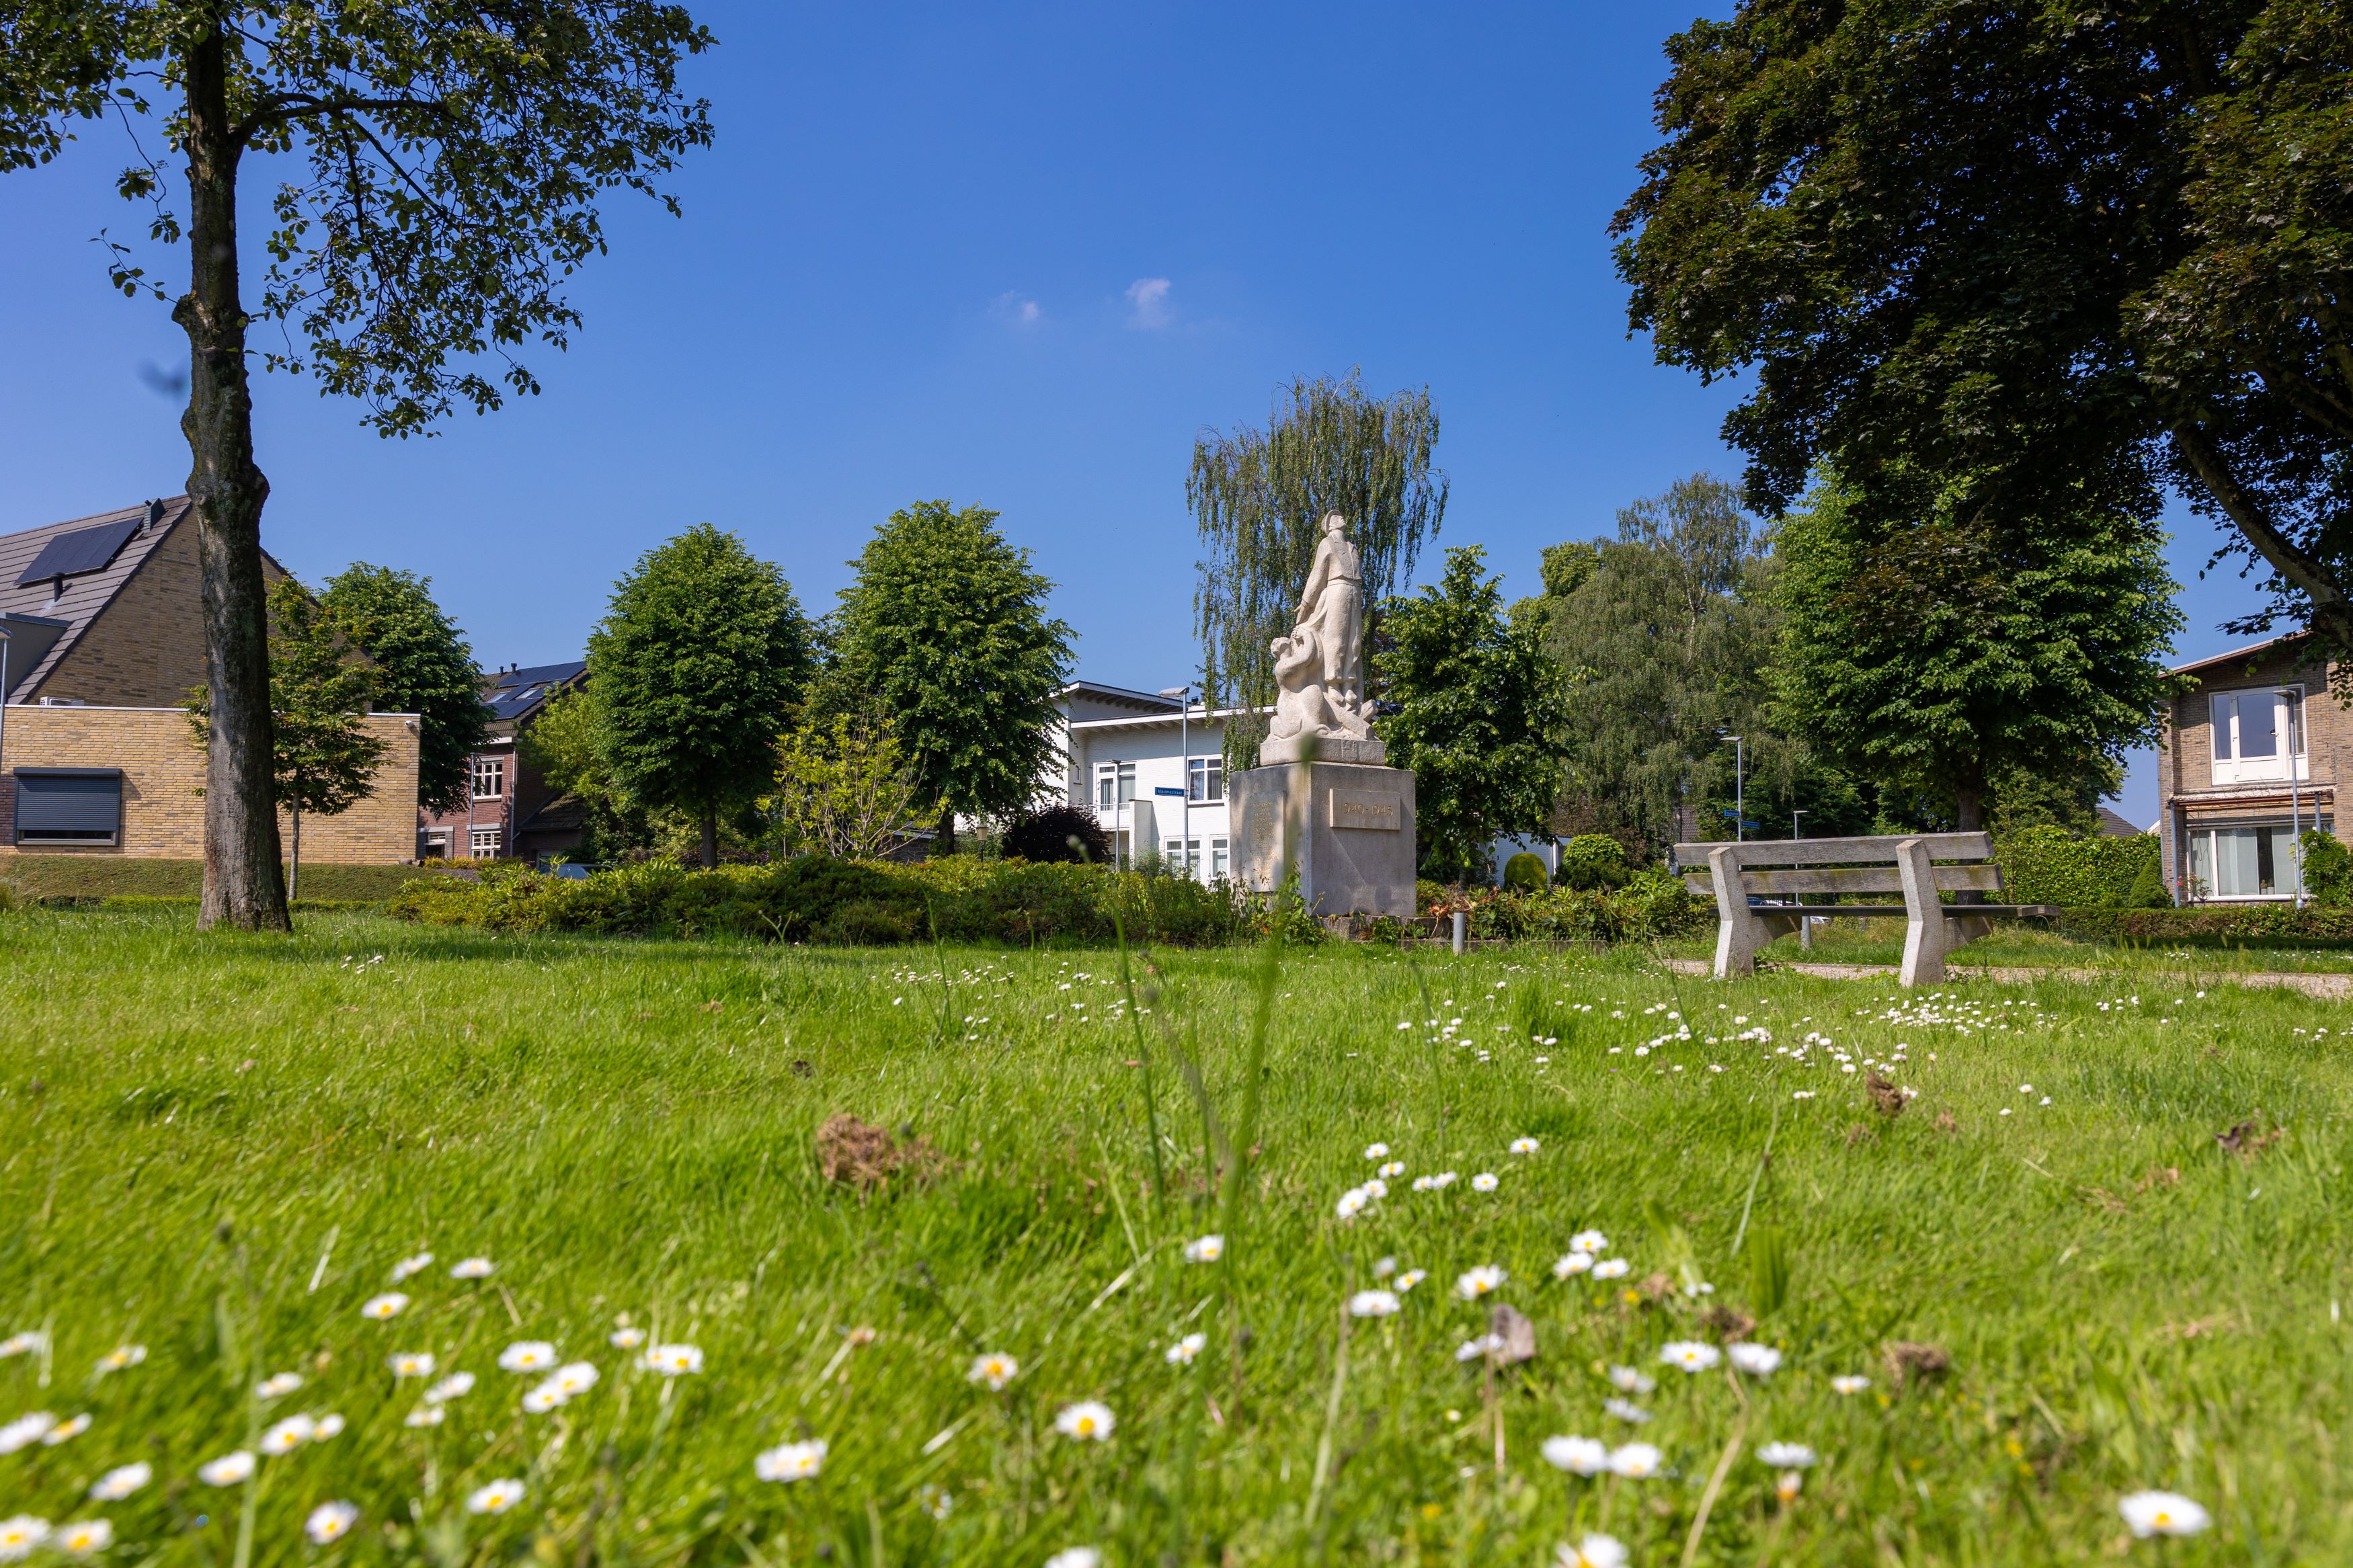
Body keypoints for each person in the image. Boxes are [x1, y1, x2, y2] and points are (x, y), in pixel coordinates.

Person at [1291, 511, 1363, 720]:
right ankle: (1332, 684)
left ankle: (1349, 684)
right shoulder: (1327, 544)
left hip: (1355, 591)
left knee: (1354, 641)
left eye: (1342, 516)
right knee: (1337, 638)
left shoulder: (1352, 547)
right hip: (1337, 588)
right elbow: (1317, 574)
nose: (1342, 518)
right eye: (1337, 517)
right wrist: (1306, 603)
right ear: (1330, 524)